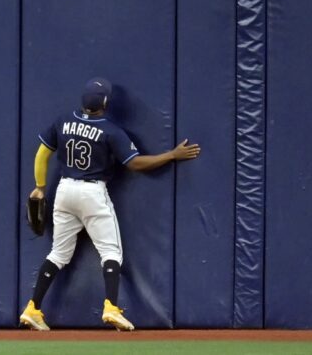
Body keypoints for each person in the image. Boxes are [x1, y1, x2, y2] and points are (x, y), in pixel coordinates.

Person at [19, 78, 200, 331]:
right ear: (105, 103)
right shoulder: (110, 130)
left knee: (58, 254)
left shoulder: (63, 121)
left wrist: (39, 186)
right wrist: (172, 155)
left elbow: (42, 153)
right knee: (111, 252)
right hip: (92, 192)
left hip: (64, 189)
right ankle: (111, 307)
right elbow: (135, 164)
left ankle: (33, 308)